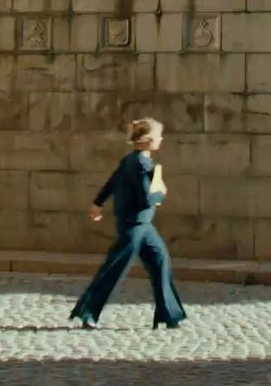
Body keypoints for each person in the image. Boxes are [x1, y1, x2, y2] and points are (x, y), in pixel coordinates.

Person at [70, 118, 186, 330]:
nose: (161, 139)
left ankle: (169, 314)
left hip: (143, 226)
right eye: (158, 136)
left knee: (161, 262)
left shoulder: (130, 160)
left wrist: (97, 203)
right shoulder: (141, 164)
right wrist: (161, 190)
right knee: (114, 269)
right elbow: (146, 198)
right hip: (134, 226)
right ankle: (87, 312)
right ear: (148, 140)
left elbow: (112, 182)